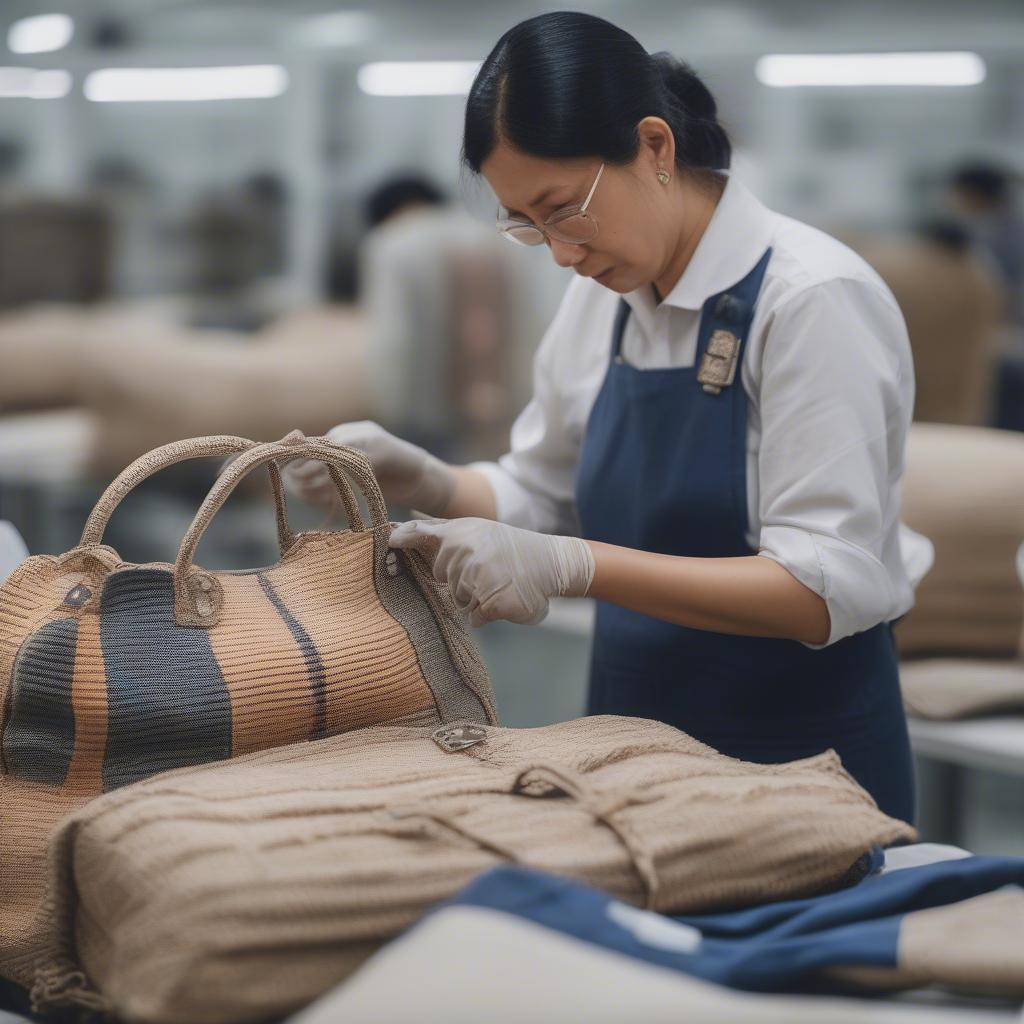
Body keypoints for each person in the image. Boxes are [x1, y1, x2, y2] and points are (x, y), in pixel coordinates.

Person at [289, 12, 930, 823]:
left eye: (562, 209)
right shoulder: (609, 300)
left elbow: (821, 587)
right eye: (527, 223)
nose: (559, 252)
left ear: (655, 148)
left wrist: (572, 566)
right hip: (630, 745)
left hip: (800, 758)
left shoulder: (810, 300)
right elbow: (542, 494)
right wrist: (429, 478)